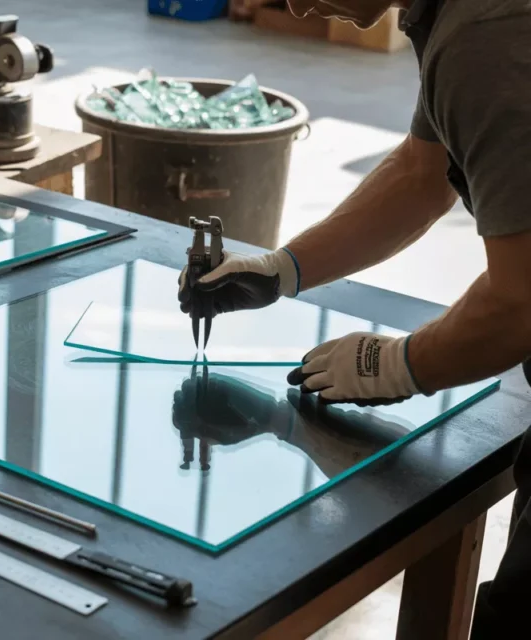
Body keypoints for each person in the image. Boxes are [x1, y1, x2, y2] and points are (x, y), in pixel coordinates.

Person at [177, 0, 531, 635]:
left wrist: (396, 364)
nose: (294, 6)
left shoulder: (486, 34)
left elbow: (521, 301)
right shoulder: (457, 17)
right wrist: (280, 270)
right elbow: (423, 172)